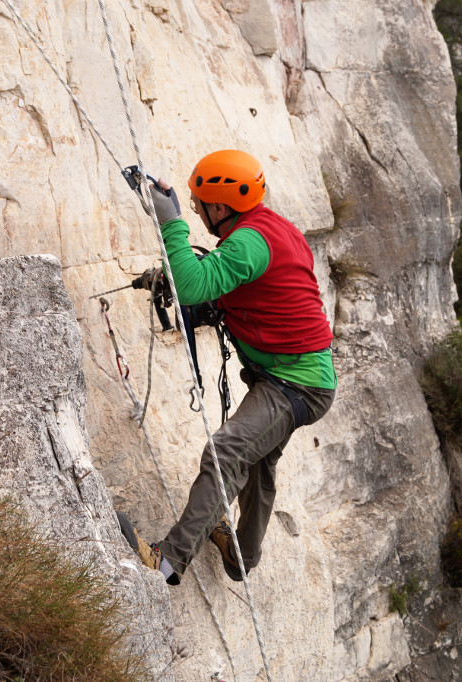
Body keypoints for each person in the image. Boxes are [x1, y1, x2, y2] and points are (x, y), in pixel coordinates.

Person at [139, 149, 337, 584]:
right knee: (257, 463)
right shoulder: (268, 229)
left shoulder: (249, 241)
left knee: (226, 452)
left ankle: (168, 561)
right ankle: (242, 555)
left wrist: (171, 222)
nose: (197, 211)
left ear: (220, 207)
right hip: (302, 376)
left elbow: (192, 286)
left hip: (295, 384)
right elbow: (245, 287)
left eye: (199, 204)